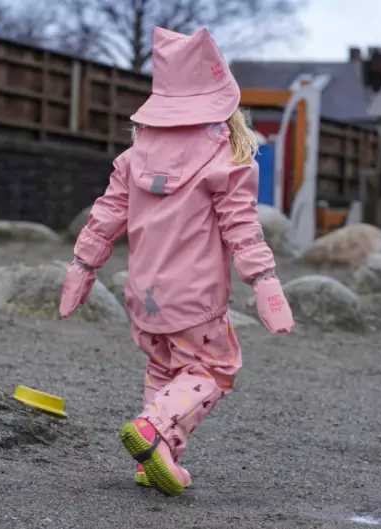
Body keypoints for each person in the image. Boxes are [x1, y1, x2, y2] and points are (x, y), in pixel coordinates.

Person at [60, 26, 295, 496]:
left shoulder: (135, 157)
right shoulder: (225, 162)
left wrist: (82, 267)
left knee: (164, 369)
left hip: (143, 296)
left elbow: (105, 216)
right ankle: (154, 431)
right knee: (215, 368)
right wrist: (264, 279)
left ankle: (156, 459)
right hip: (195, 300)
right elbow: (242, 227)